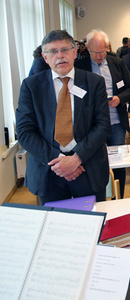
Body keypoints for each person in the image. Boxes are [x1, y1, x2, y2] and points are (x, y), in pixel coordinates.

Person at [16, 30, 111, 204]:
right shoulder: (31, 86)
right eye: (53, 51)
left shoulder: (94, 82)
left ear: (75, 52)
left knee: (92, 225)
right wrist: (59, 161)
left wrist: (76, 158)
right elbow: (24, 131)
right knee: (55, 227)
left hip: (87, 168)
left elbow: (103, 125)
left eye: (65, 50)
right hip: (49, 171)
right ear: (45, 57)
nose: (60, 56)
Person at [75, 29, 130, 198]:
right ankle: (98, 198)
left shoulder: (117, 63)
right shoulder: (80, 66)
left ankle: (119, 197)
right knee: (93, 164)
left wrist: (119, 98)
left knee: (118, 164)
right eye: (95, 52)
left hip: (116, 123)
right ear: (87, 48)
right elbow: (75, 94)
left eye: (103, 51)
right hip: (92, 126)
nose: (99, 56)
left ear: (108, 47)